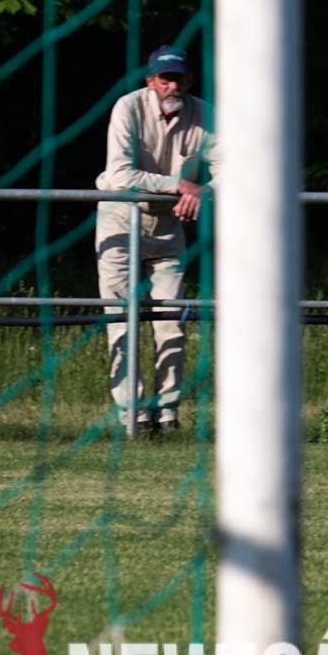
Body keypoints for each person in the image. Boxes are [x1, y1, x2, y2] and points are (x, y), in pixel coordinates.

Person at [95, 44, 217, 433]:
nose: (172, 85)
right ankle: (132, 416)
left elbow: (234, 167)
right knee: (121, 319)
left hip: (168, 225)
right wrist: (178, 185)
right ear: (150, 81)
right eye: (165, 78)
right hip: (120, 219)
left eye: (178, 78)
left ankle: (167, 415)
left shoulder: (205, 114)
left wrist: (204, 191)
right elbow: (119, 175)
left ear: (189, 80)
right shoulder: (128, 107)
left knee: (171, 321)